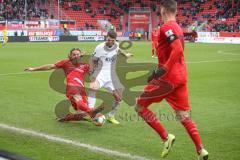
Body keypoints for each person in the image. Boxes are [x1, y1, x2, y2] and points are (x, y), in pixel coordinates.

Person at [135, 1, 209, 160]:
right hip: (180, 77)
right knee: (183, 115)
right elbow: (173, 52)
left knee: (139, 106)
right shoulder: (177, 27)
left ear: (163, 10)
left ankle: (165, 137)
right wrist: (157, 70)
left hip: (168, 78)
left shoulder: (167, 27)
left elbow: (178, 50)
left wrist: (163, 69)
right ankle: (200, 149)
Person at [25, 48, 103, 122]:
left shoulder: (85, 65)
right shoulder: (66, 62)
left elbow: (92, 74)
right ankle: (92, 112)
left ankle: (68, 117)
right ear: (70, 55)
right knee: (79, 100)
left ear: (80, 55)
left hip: (81, 88)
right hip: (72, 86)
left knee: (81, 115)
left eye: (77, 54)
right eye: (74, 54)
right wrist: (33, 69)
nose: (76, 56)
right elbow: (50, 66)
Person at [88, 30, 133, 124]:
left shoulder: (116, 45)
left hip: (111, 75)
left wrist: (125, 54)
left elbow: (118, 50)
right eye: (108, 40)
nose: (110, 42)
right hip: (100, 73)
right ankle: (90, 111)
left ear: (115, 40)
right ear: (106, 37)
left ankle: (111, 116)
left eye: (112, 40)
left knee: (119, 98)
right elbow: (92, 59)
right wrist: (92, 71)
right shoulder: (100, 48)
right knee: (93, 88)